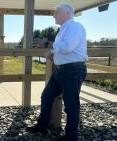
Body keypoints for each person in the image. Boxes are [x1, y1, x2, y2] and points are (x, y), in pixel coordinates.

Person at [26, 3, 88, 141]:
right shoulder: (64, 30)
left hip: (73, 70)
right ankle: (42, 126)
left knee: (71, 104)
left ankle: (71, 137)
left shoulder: (74, 26)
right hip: (63, 70)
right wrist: (52, 54)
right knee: (46, 96)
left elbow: (67, 47)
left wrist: (48, 44)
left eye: (57, 12)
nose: (54, 15)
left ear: (67, 13)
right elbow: (63, 52)